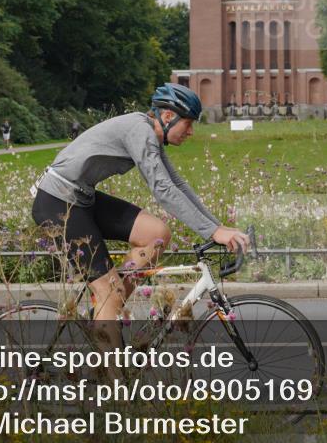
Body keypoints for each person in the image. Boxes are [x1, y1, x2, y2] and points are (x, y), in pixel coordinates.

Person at [30, 83, 249, 334]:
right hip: (57, 203)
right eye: (188, 124)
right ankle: (107, 363)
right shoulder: (139, 131)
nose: (191, 132)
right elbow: (162, 190)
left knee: (156, 234)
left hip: (82, 199)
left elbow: (176, 183)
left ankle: (107, 310)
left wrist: (216, 227)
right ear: (168, 117)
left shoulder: (149, 132)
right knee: (108, 291)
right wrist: (212, 232)